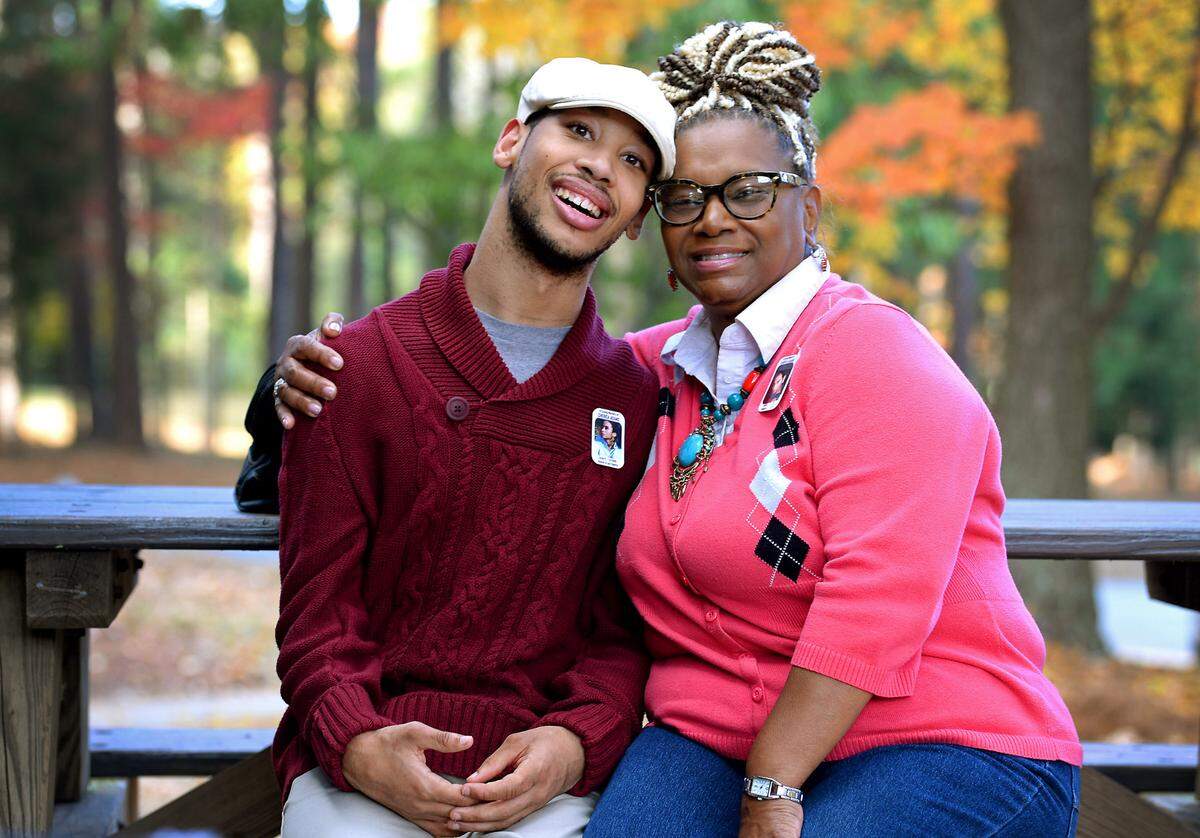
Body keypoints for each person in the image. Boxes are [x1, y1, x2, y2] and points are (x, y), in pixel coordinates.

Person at [256, 21, 1082, 838]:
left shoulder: (874, 352)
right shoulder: (654, 372)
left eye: (748, 191)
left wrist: (771, 787)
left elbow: (879, 601)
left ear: (809, 206)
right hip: (717, 739)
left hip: (935, 737)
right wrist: (291, 386)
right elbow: (508, 382)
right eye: (685, 197)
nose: (713, 219)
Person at [250, 57, 678, 838]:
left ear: (637, 218)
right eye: (578, 131)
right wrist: (357, 743)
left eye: (631, 161)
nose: (599, 166)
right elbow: (316, 619)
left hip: (542, 784)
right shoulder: (356, 366)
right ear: (512, 141)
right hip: (359, 764)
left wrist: (573, 745)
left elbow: (621, 635)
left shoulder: (632, 401)